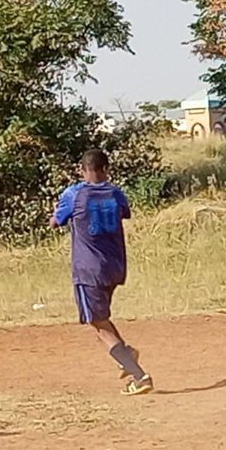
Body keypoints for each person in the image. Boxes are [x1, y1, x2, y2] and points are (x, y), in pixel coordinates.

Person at [50, 149, 154, 394]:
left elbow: (55, 223)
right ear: (106, 168)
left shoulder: (73, 194)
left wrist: (57, 211)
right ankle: (126, 355)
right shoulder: (116, 193)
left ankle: (139, 376)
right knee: (102, 320)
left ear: (81, 169)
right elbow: (124, 212)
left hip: (89, 269)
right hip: (115, 267)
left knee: (97, 322)